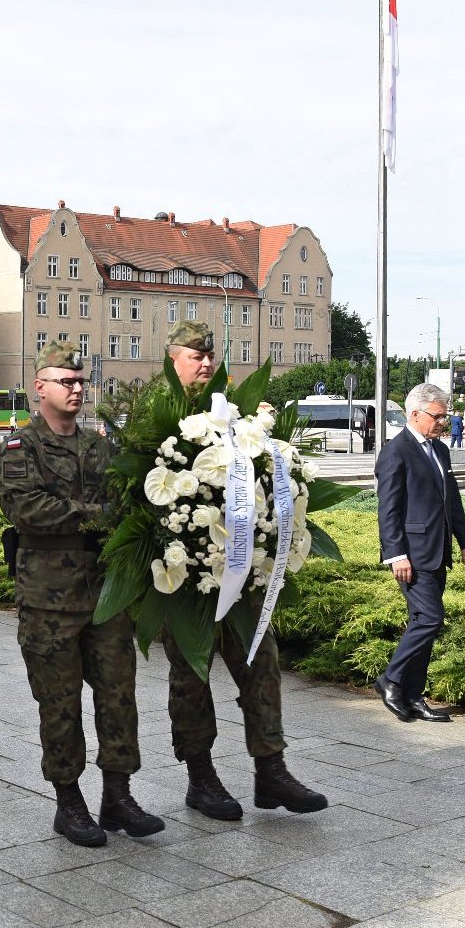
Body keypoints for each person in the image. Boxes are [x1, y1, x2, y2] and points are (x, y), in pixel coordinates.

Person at [148, 321, 329, 821]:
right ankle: (200, 777)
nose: (204, 363)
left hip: (240, 569)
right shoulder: (156, 415)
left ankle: (271, 770)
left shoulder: (233, 415)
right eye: (193, 355)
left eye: (209, 356)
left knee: (261, 661)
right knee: (191, 676)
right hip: (185, 578)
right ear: (172, 358)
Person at [0, 341, 161, 848]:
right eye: (64, 381)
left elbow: (125, 501)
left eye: (80, 381)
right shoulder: (21, 447)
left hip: (105, 596)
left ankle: (118, 795)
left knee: (119, 696)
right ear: (39, 388)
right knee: (60, 704)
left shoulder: (100, 447)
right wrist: (95, 515)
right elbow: (28, 510)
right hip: (50, 600)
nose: (76, 389)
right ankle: (69, 803)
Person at [373, 382, 465, 723]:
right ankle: (390, 680)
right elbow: (388, 509)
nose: (442, 423)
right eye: (437, 416)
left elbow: (453, 501)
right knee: (431, 619)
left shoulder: (440, 449)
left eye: (445, 417)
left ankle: (413, 695)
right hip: (411, 554)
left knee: (423, 622)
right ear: (415, 414)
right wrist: (395, 555)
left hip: (438, 550)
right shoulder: (395, 451)